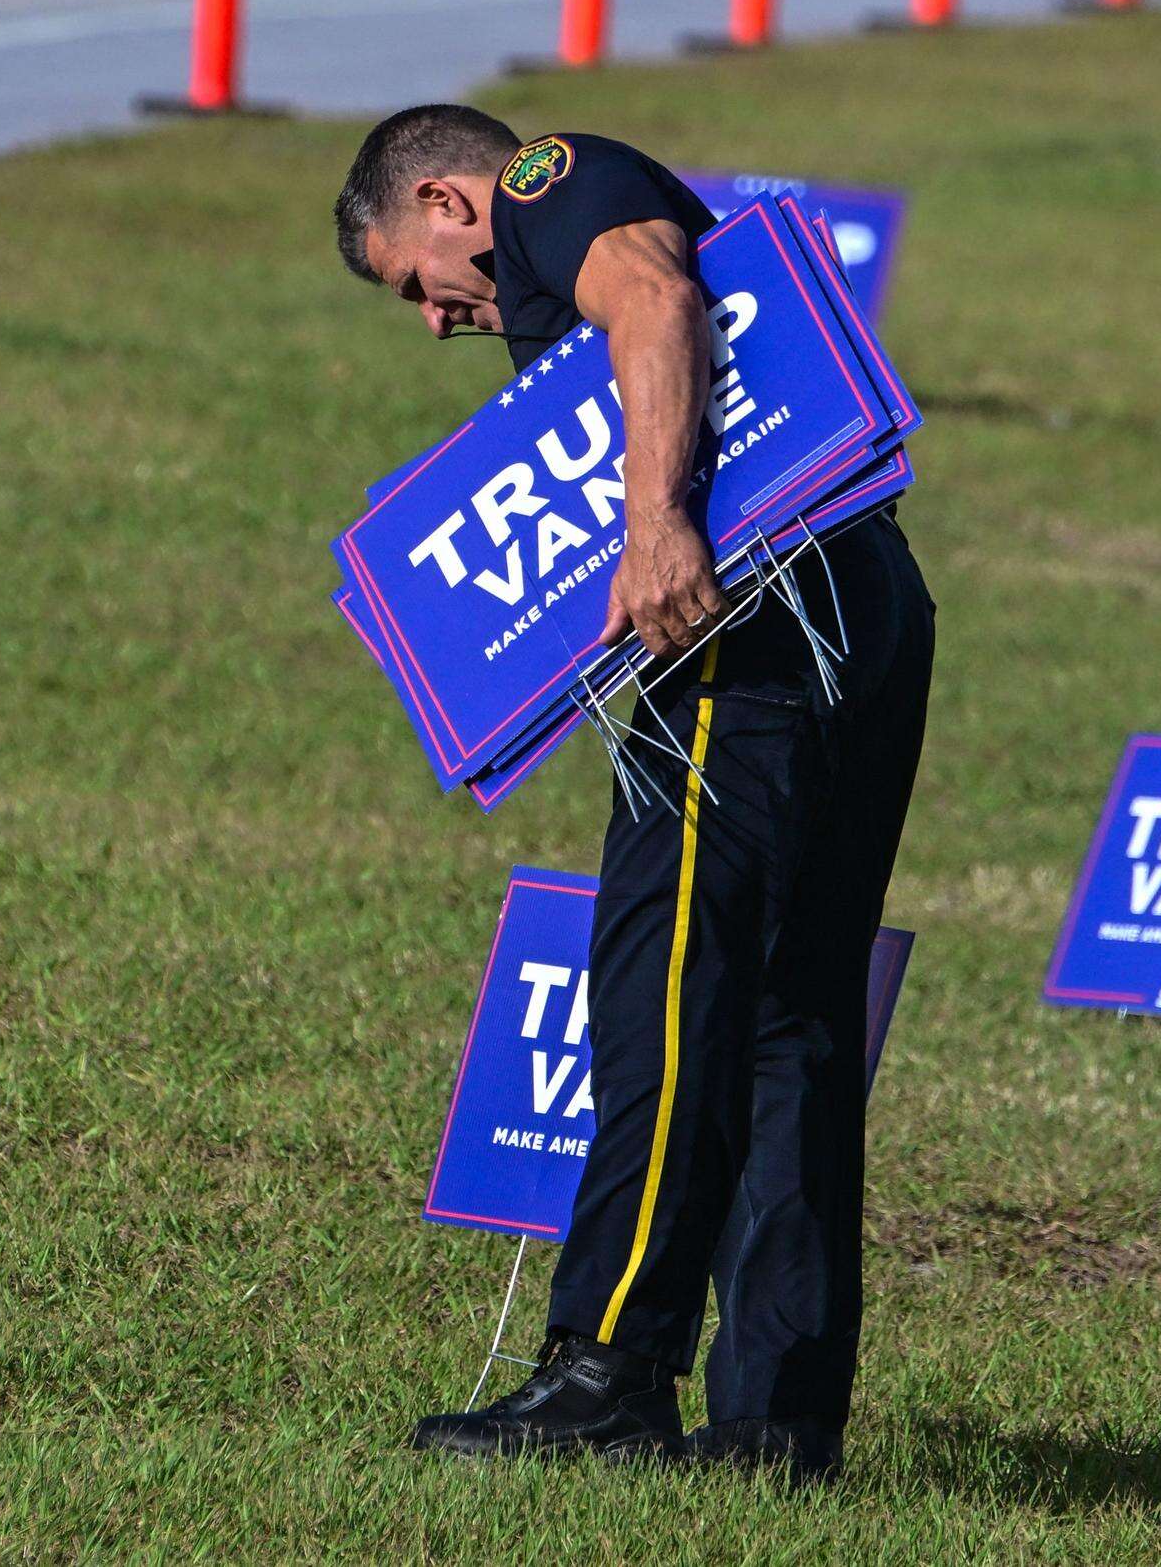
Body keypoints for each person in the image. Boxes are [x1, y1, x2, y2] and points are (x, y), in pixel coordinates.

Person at [332, 105, 933, 1485]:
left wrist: (656, 524)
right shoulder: (559, 224)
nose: (434, 322)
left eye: (416, 286)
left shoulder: (549, 188)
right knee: (793, 1020)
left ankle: (605, 1369)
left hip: (742, 622)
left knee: (668, 993)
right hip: (857, 595)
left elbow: (656, 298)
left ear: (443, 200)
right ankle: (777, 1422)